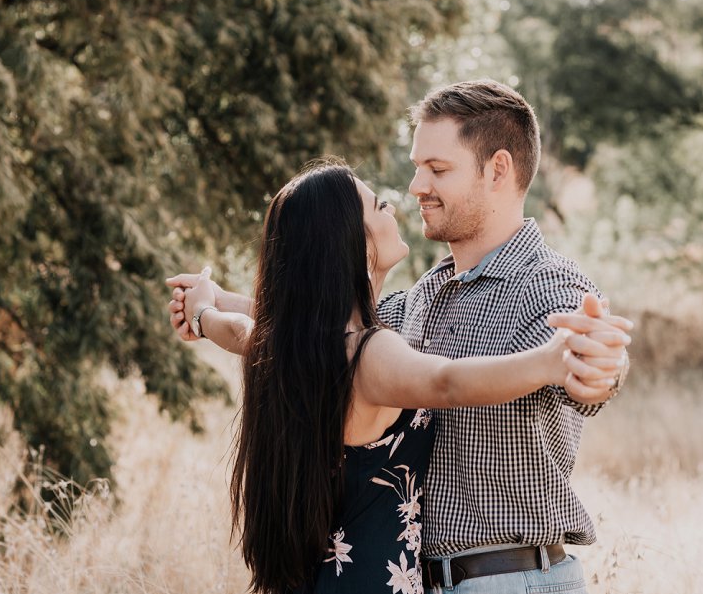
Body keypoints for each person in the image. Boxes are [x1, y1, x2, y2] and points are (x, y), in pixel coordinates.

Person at [170, 160, 631, 594]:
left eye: (436, 168)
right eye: (379, 205)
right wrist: (550, 360)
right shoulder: (370, 353)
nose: (401, 198)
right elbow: (445, 382)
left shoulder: (301, 349)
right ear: (354, 240)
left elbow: (245, 328)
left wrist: (206, 307)